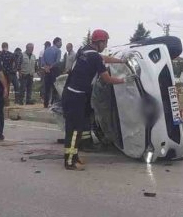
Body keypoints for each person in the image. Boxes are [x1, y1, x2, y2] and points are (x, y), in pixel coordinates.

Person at [62, 29, 125, 171]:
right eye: (106, 42)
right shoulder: (94, 57)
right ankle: (70, 162)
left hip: (71, 94)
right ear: (100, 42)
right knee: (74, 130)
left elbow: (103, 58)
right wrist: (123, 81)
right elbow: (106, 79)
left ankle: (74, 156)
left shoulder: (84, 50)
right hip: (76, 96)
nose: (106, 45)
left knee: (75, 129)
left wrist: (121, 61)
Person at [40, 38, 62, 108]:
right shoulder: (58, 50)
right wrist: (51, 67)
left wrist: (46, 67)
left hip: (47, 71)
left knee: (47, 88)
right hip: (54, 70)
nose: (61, 44)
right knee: (55, 87)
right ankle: (54, 104)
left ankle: (45, 104)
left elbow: (42, 60)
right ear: (57, 42)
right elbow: (57, 62)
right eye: (60, 42)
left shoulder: (46, 50)